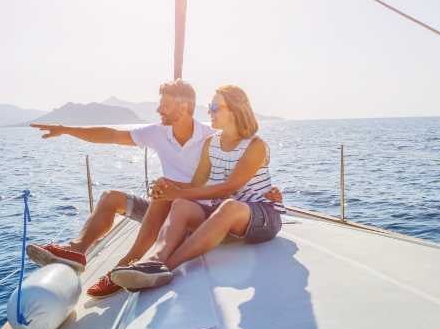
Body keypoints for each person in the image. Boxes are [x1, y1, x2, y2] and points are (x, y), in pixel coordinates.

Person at [27, 80, 281, 298]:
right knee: (121, 198)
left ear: (184, 107)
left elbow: (231, 185)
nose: (158, 109)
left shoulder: (217, 137)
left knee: (188, 201)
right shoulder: (178, 137)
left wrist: (270, 194)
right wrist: (67, 130)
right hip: (189, 207)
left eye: (164, 104)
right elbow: (113, 136)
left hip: (220, 210)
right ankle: (89, 253)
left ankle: (144, 264)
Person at [111, 85, 284, 291]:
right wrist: (169, 187)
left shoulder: (256, 146)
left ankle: (166, 267)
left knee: (229, 206)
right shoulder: (211, 143)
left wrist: (177, 191)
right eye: (209, 107)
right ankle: (155, 258)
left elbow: (229, 187)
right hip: (222, 217)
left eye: (214, 107)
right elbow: (197, 185)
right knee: (182, 204)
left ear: (235, 110)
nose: (209, 111)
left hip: (261, 217)